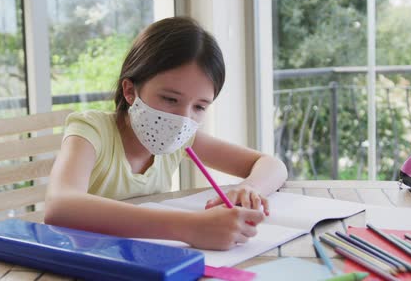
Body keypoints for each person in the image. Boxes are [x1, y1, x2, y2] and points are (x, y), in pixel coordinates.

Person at [45, 17, 288, 251]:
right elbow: (60, 205)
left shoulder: (185, 139)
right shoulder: (91, 130)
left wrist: (250, 188)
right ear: (130, 91)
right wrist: (190, 228)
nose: (184, 118)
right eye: (170, 99)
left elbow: (271, 165)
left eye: (199, 107)